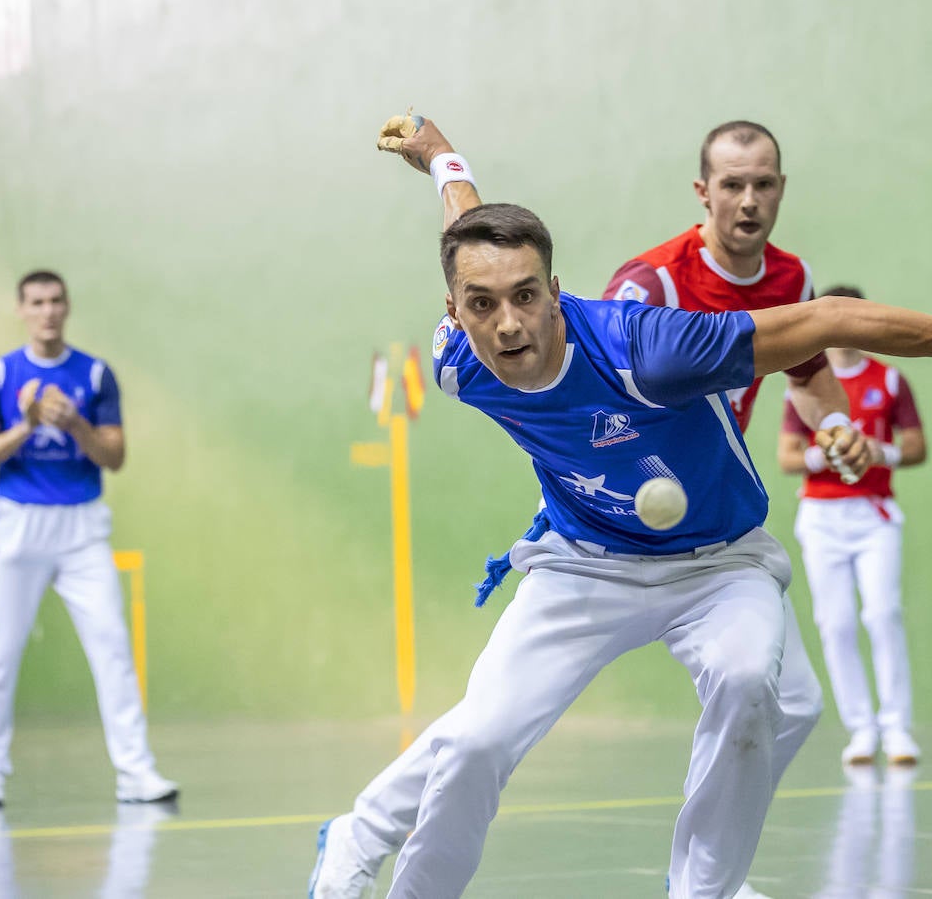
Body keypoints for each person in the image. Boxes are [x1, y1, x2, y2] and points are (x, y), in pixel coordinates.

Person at [311, 141, 932, 898]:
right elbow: (474, 232)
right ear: (453, 309)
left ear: (555, 292)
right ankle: (376, 854)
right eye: (482, 305)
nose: (510, 324)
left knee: (755, 687)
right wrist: (441, 156)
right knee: (480, 739)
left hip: (718, 564)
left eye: (528, 297)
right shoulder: (458, 361)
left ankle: (702, 891)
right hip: (582, 562)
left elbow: (830, 319)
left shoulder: (650, 350)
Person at [312, 115, 865, 899]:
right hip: (596, 545)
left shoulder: (786, 277)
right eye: (732, 185)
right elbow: (499, 275)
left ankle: (707, 878)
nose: (749, 200)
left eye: (763, 183)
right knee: (483, 732)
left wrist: (440, 158)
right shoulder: (643, 296)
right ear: (703, 193)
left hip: (715, 536)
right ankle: (367, 831)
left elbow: (810, 362)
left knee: (783, 700)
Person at [0, 270, 177, 809]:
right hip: (18, 526)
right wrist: (28, 424)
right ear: (21, 310)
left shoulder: (96, 375)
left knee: (112, 649)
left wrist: (76, 423)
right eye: (36, 302)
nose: (48, 311)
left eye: (56, 301)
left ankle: (136, 773)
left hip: (82, 530)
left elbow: (115, 457)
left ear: (67, 306)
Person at [777, 285, 928, 766]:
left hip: (874, 514)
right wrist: (831, 452)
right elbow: (787, 456)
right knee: (835, 623)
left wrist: (880, 452)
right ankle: (861, 730)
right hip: (821, 518)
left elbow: (917, 447)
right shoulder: (803, 383)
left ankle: (898, 729)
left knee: (882, 614)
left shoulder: (889, 380)